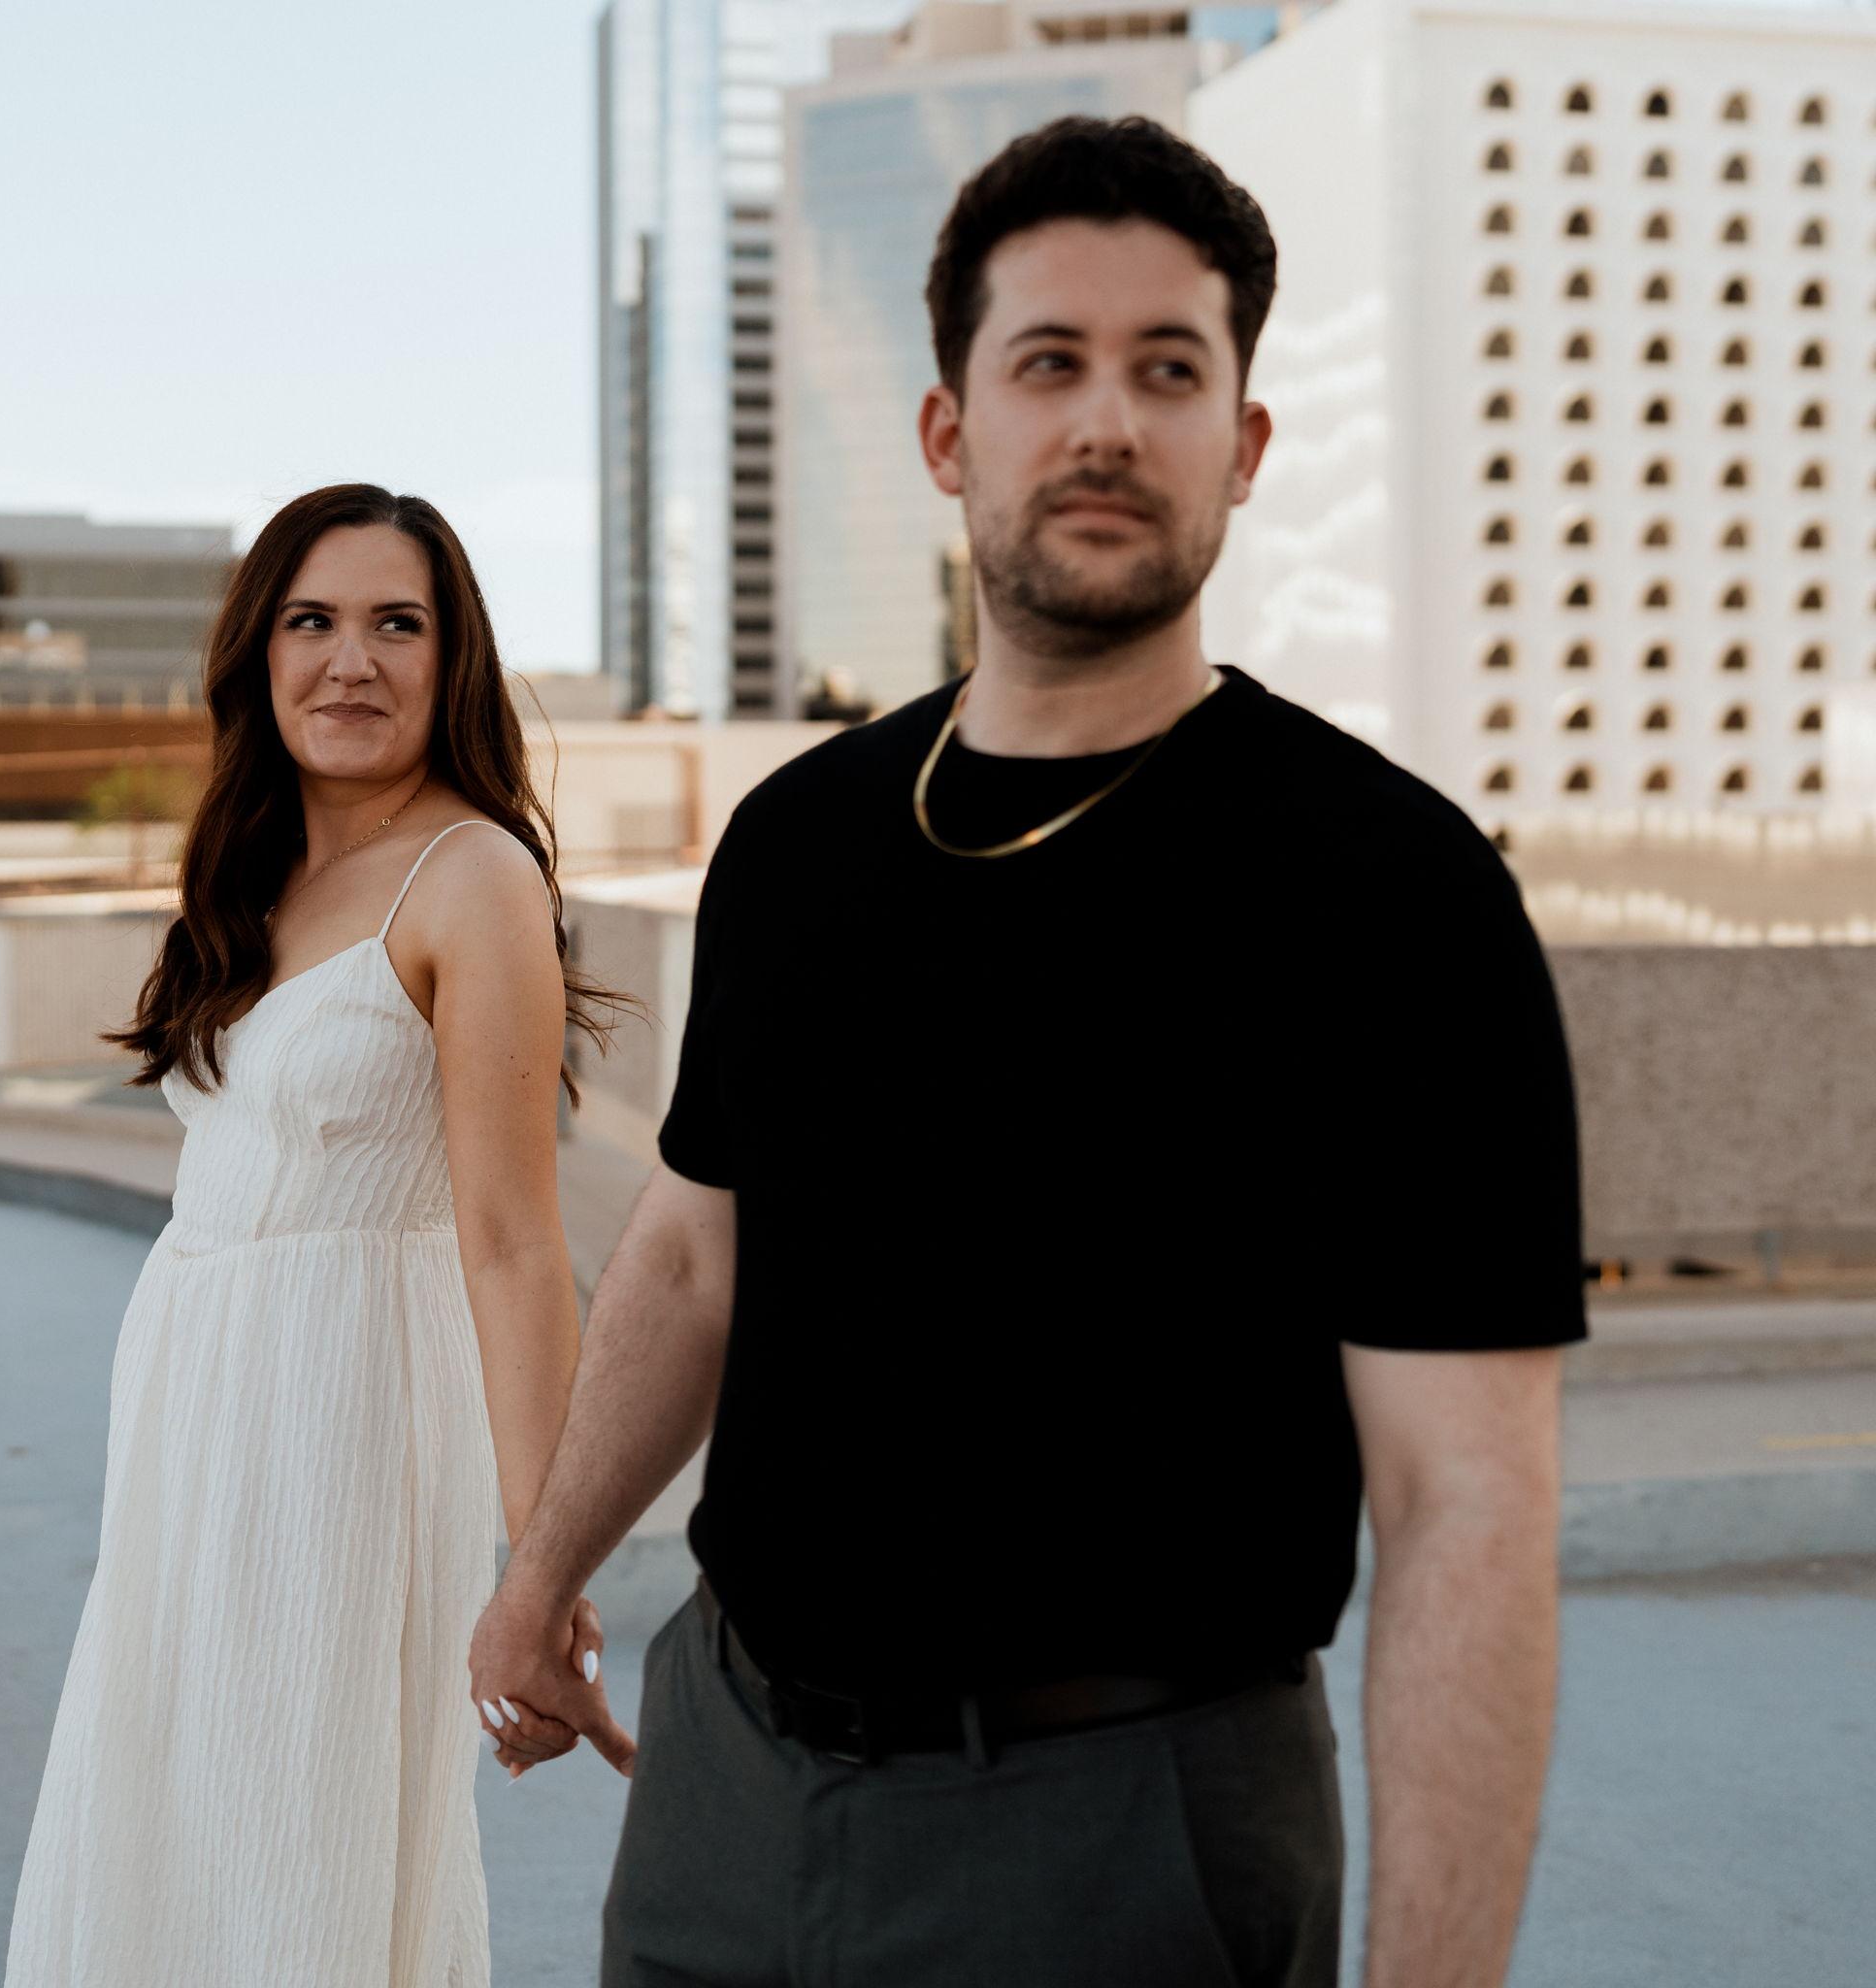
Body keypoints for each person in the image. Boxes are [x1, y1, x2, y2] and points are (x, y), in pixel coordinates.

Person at [473, 116, 1587, 1988]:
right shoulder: (799, 838)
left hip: (1124, 1833)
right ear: (948, 432)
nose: (1108, 422)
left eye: (1171, 370)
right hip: (725, 1789)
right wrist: (540, 1573)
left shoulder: (1392, 893)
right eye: (1049, 364)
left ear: (1244, 446)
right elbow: (690, 1251)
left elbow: (1466, 1509)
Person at [5, 483, 619, 1987]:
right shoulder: (253, 871)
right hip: (188, 1427)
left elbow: (513, 1245)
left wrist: (539, 1575)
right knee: (163, 1835)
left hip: (340, 1435)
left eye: (397, 623)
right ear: (259, 653)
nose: (352, 660)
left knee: (296, 1850)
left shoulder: (475, 878)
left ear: (451, 659)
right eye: (312, 621)